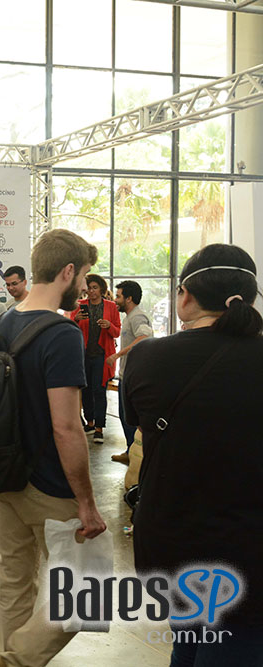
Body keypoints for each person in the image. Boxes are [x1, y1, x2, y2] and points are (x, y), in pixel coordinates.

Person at [125, 244, 263, 666]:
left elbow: (135, 426)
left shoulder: (146, 358)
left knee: (187, 643)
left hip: (170, 540)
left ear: (184, 295)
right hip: (247, 548)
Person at [0, 229, 107, 667]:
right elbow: (67, 427)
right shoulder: (62, 334)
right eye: (86, 275)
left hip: (4, 475)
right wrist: (87, 502)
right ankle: (15, 661)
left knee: (15, 582)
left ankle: (15, 657)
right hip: (49, 485)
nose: (86, 286)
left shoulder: (3, 321)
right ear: (68, 271)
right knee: (88, 590)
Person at [69, 274, 120, 445]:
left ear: (101, 289)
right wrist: (76, 319)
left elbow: (117, 332)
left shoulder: (111, 306)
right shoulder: (79, 305)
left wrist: (109, 326)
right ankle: (89, 422)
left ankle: (99, 427)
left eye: (95, 288)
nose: (91, 291)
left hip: (102, 354)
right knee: (86, 389)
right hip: (83, 354)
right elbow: (70, 329)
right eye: (89, 288)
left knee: (99, 390)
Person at [107, 280, 152, 465]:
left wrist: (118, 354)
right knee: (125, 415)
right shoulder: (129, 317)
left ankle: (137, 453)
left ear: (129, 298)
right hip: (126, 374)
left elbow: (145, 337)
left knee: (130, 416)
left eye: (118, 296)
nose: (115, 300)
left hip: (134, 376)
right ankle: (130, 450)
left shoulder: (137, 317)